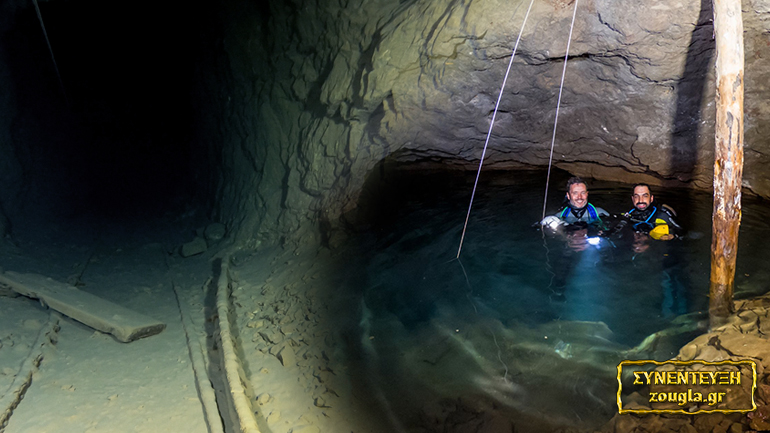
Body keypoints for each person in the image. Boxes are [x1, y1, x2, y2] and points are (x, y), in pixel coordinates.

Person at [541, 177, 609, 229]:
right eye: (575, 193)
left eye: (583, 193)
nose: (579, 197)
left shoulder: (599, 213)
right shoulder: (559, 216)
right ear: (568, 195)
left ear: (587, 194)